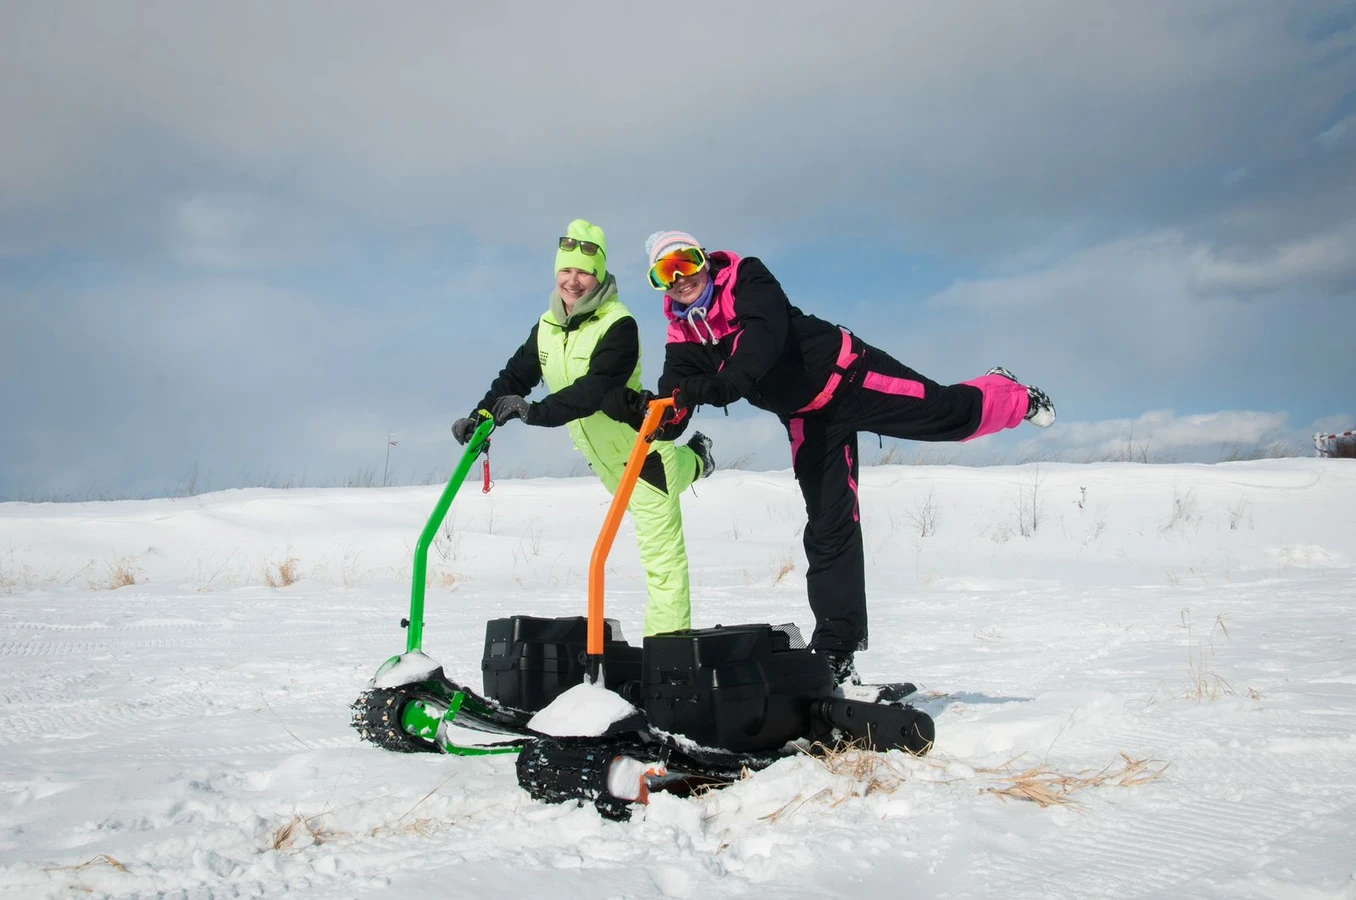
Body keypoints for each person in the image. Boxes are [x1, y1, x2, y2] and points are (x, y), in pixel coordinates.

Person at [601, 230, 1056, 685]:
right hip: (807, 417)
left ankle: (1008, 393)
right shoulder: (684, 334)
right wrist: (650, 411)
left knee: (950, 417)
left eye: (686, 260)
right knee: (828, 526)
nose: (681, 277)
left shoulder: (749, 279)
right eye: (665, 272)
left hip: (850, 378)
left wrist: (718, 387)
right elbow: (675, 404)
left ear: (704, 258)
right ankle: (836, 653)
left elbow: (761, 344)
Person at [452, 220, 714, 637]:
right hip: (604, 460)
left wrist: (535, 413)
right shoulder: (548, 326)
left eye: (584, 272)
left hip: (642, 453)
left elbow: (594, 389)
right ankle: (698, 460)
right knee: (669, 483)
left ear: (600, 275)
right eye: (567, 270)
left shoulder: (619, 324)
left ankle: (670, 668)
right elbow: (513, 378)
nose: (574, 281)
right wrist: (482, 416)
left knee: (663, 564)